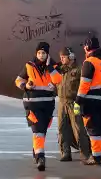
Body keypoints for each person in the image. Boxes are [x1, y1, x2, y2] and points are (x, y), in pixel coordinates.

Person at [14, 41, 61, 171]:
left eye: (44, 53)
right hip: (32, 104)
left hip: (47, 104)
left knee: (43, 131)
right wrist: (26, 86)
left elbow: (58, 80)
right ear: (36, 53)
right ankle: (41, 157)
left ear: (47, 54)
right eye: (39, 53)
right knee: (38, 131)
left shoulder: (53, 65)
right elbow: (18, 80)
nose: (41, 55)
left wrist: (50, 68)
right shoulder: (29, 65)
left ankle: (36, 151)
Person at [74, 36, 101, 165]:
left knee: (92, 129)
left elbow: (85, 84)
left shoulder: (89, 62)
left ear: (87, 47)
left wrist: (78, 100)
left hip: (90, 100)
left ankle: (95, 157)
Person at [55, 46, 93, 162]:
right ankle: (65, 153)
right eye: (61, 57)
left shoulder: (78, 70)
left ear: (71, 57)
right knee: (62, 128)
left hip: (74, 103)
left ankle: (85, 154)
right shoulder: (61, 70)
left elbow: (84, 86)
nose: (62, 59)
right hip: (62, 103)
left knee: (78, 128)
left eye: (64, 57)